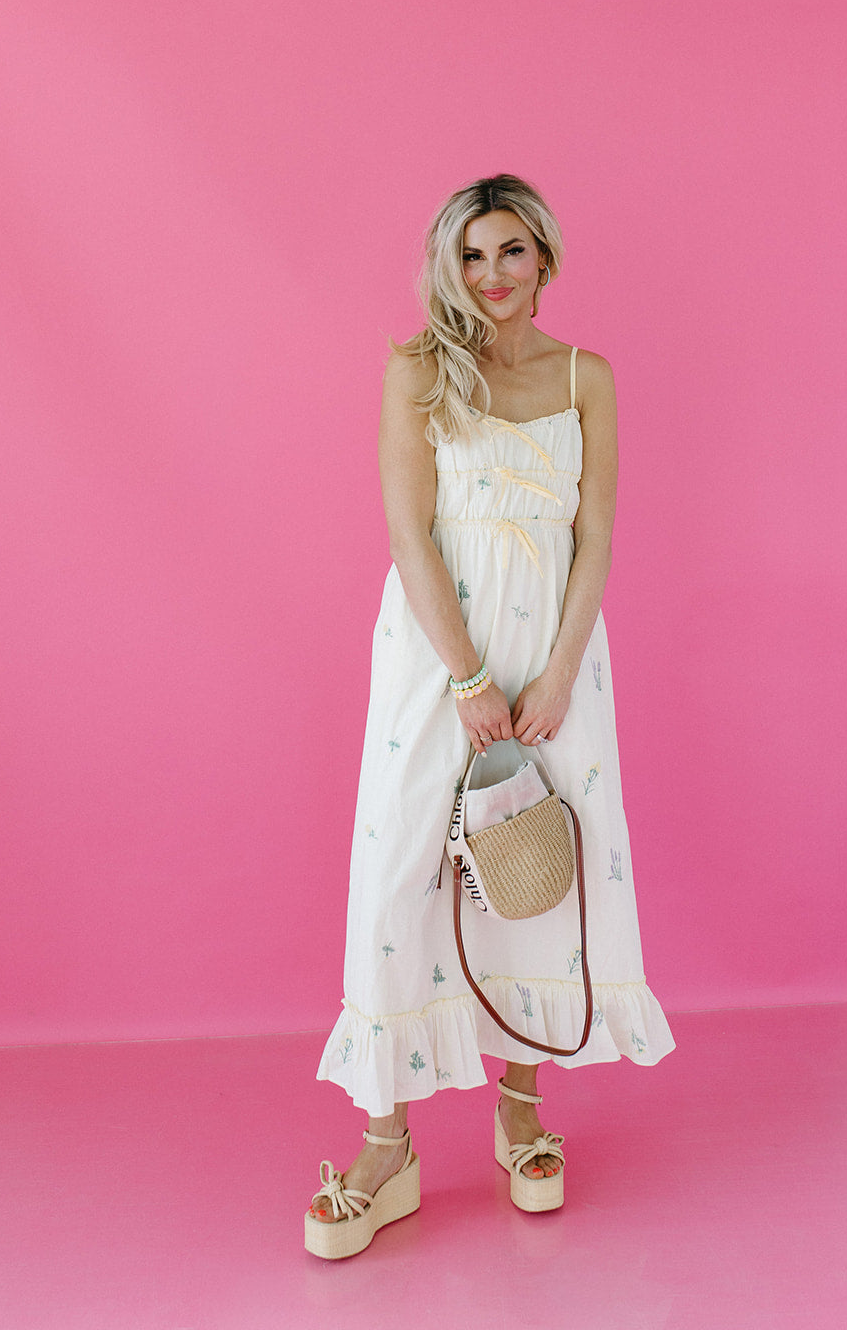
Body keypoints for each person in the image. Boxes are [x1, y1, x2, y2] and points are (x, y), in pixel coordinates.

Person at [307, 174, 674, 1259]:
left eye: (510, 251)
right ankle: (386, 1147)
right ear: (447, 267)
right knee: (401, 871)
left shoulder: (586, 376)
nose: (491, 274)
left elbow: (594, 536)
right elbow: (408, 534)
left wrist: (556, 675)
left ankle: (520, 1110)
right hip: (438, 656)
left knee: (533, 866)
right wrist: (468, 679)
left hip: (555, 658)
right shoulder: (418, 370)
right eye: (470, 256)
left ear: (543, 257)